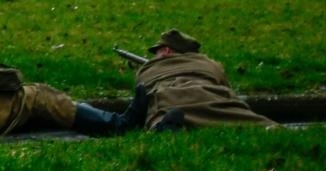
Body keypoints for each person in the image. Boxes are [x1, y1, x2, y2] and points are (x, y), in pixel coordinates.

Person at [117, 30, 276, 131]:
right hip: (216, 101)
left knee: (160, 118)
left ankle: (167, 128)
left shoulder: (147, 69)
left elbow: (142, 96)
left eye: (156, 52)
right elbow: (226, 86)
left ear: (166, 51)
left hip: (170, 102)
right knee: (255, 124)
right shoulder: (211, 65)